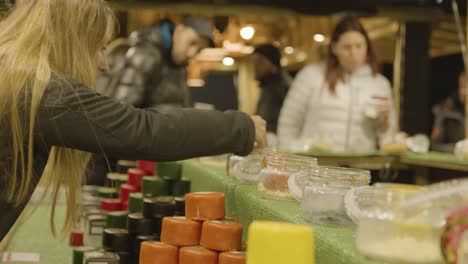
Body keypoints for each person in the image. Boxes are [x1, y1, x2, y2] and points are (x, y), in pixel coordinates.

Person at [0, 0, 267, 242]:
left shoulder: (15, 74)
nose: (103, 65)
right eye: (98, 47)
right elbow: (142, 130)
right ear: (72, 39)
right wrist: (241, 128)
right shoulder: (42, 91)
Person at [278, 16, 396, 152]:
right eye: (347, 47)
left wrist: (385, 122)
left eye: (359, 46)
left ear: (367, 47)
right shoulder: (310, 76)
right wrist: (287, 159)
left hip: (360, 165)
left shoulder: (380, 83)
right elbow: (288, 122)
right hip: (317, 165)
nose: (354, 53)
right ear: (334, 48)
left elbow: (388, 137)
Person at [107, 16, 215, 111]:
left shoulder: (178, 64)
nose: (191, 53)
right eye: (192, 43)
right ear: (179, 31)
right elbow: (121, 111)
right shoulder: (146, 54)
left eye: (199, 50)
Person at [252, 44, 291, 134]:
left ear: (272, 64)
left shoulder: (279, 87)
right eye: (253, 63)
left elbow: (267, 123)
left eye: (259, 62)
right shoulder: (269, 86)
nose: (255, 67)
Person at [431, 70, 466, 152]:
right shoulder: (446, 110)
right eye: (462, 87)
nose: (464, 92)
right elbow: (434, 144)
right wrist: (458, 148)